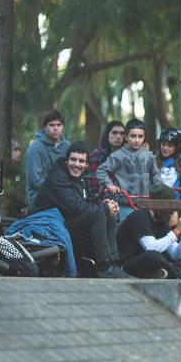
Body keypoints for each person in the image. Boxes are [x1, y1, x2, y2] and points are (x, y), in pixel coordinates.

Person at [29, 141, 127, 278]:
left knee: (108, 214)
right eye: (73, 159)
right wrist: (103, 208)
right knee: (98, 214)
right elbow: (75, 207)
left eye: (81, 161)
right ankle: (104, 267)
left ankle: (113, 264)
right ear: (66, 160)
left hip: (63, 223)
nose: (77, 164)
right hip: (48, 229)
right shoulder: (58, 178)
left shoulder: (77, 178)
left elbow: (84, 201)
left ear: (86, 165)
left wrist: (104, 203)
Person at [116, 183, 181, 279]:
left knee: (160, 264)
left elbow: (175, 254)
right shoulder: (140, 217)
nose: (172, 212)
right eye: (168, 208)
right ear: (157, 205)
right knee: (153, 256)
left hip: (147, 265)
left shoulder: (162, 221)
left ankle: (156, 275)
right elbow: (151, 247)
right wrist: (176, 231)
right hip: (127, 264)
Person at [96, 119, 161, 220]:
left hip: (146, 204)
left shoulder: (149, 156)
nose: (136, 140)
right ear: (126, 137)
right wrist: (109, 184)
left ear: (144, 138)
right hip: (124, 205)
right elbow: (101, 171)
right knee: (126, 232)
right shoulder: (117, 156)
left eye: (140, 136)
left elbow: (156, 175)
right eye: (133, 136)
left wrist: (159, 189)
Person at [25, 110, 71, 206]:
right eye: (51, 125)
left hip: (64, 195)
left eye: (59, 125)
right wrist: (60, 189)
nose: (55, 128)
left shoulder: (68, 147)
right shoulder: (35, 148)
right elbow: (35, 181)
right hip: (40, 197)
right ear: (45, 127)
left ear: (62, 126)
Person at [86, 121, 125, 199]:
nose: (118, 136)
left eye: (121, 133)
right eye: (114, 133)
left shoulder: (124, 155)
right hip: (102, 201)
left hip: (124, 199)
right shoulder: (96, 156)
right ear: (107, 134)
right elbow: (94, 187)